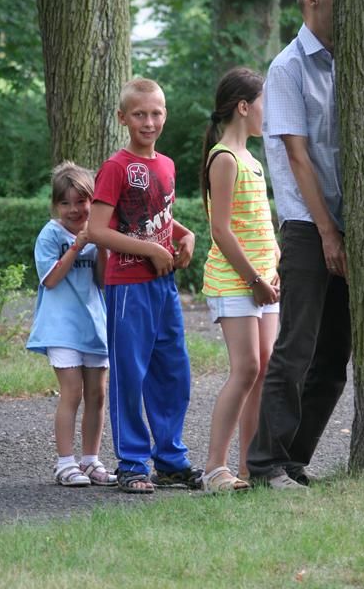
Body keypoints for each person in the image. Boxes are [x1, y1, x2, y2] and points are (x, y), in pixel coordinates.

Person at [247, 0, 351, 489]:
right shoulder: (288, 68)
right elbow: (297, 155)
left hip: (349, 226)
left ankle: (294, 459)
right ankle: (263, 463)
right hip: (310, 228)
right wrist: (328, 232)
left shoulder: (344, 63)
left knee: (333, 357)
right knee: (296, 348)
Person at [88, 77, 202, 494]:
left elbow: (157, 215)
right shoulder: (116, 167)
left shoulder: (166, 165)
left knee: (173, 372)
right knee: (130, 375)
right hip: (128, 288)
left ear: (165, 114)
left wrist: (185, 236)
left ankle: (171, 460)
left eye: (156, 113)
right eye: (139, 114)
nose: (149, 122)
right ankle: (132, 464)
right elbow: (97, 230)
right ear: (123, 118)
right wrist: (149, 250)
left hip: (164, 286)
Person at [200, 68, 280, 493]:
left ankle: (251, 467)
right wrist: (254, 279)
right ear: (244, 107)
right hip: (236, 282)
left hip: (264, 281)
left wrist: (274, 265)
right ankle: (215, 469)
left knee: (264, 367)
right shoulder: (225, 159)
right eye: (265, 103)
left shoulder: (253, 160)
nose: (270, 112)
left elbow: (260, 224)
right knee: (246, 368)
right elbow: (222, 230)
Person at [27, 161, 116, 488]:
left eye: (81, 201)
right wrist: (78, 245)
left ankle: (90, 461)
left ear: (93, 201)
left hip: (93, 323)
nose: (74, 209)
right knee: (73, 392)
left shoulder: (98, 233)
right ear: (55, 205)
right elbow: (50, 279)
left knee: (98, 394)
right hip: (61, 325)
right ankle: (65, 463)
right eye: (65, 202)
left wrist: (101, 245)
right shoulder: (51, 234)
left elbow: (102, 281)